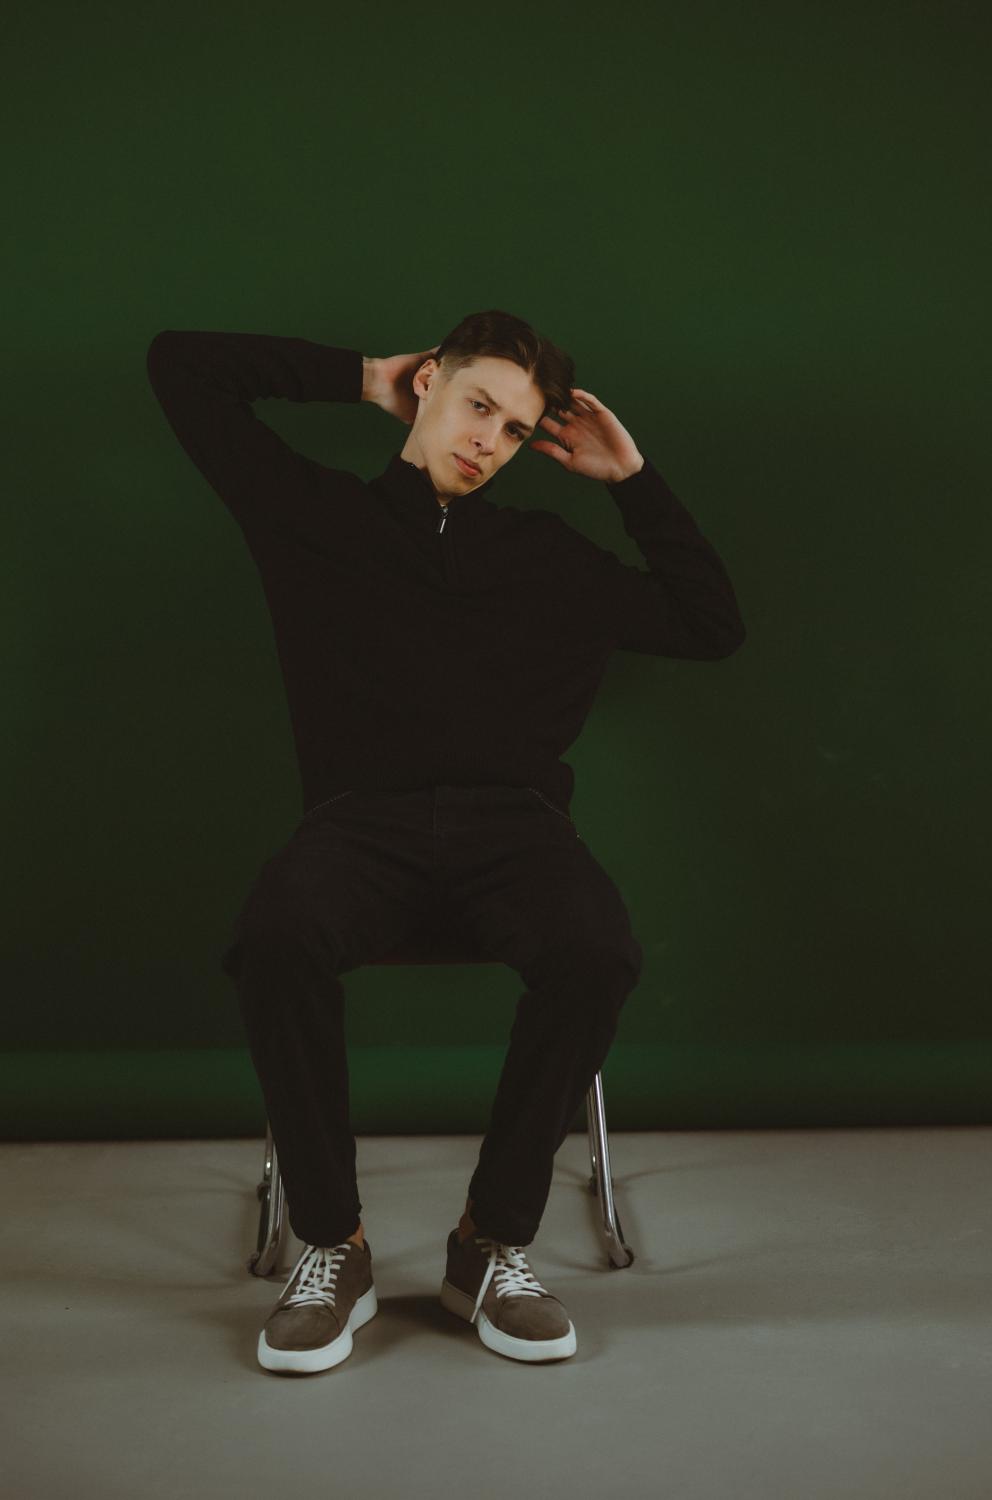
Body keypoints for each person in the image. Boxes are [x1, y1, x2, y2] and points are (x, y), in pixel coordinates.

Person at [146, 308, 746, 1374]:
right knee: (276, 937)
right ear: (429, 384)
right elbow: (181, 368)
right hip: (357, 826)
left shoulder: (546, 555)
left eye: (514, 430)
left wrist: (630, 479)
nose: (488, 441)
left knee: (596, 950)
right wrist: (361, 374)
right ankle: (333, 1246)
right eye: (477, 405)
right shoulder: (313, 515)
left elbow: (711, 625)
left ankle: (490, 1244)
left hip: (516, 831)